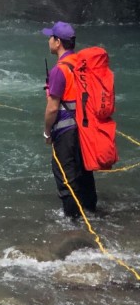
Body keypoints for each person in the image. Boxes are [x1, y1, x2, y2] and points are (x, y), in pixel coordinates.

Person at [42, 21, 97, 217]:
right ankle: (92, 213)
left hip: (66, 131)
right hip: (86, 129)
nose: (48, 41)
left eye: (50, 37)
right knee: (84, 173)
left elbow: (52, 108)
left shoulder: (59, 70)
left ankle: (72, 223)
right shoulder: (83, 65)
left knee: (66, 177)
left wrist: (47, 132)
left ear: (58, 42)